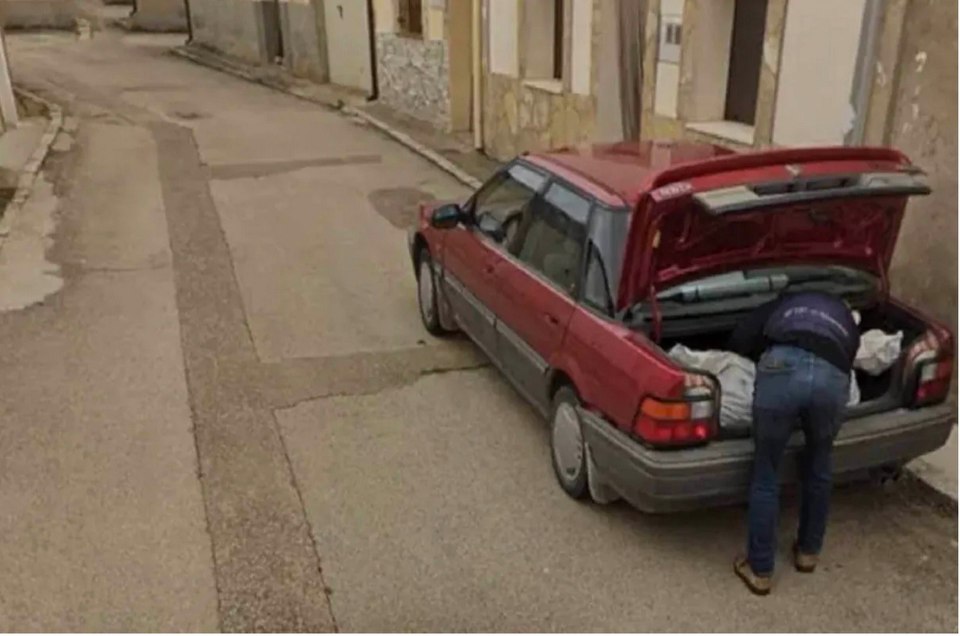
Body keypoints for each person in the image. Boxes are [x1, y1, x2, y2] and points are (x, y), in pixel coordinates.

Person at [726, 290, 859, 595]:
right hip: (831, 376)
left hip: (781, 367)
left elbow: (743, 335)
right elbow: (849, 357)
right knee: (820, 461)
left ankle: (760, 569)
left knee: (766, 472)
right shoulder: (843, 316)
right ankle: (808, 552)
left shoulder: (783, 302)